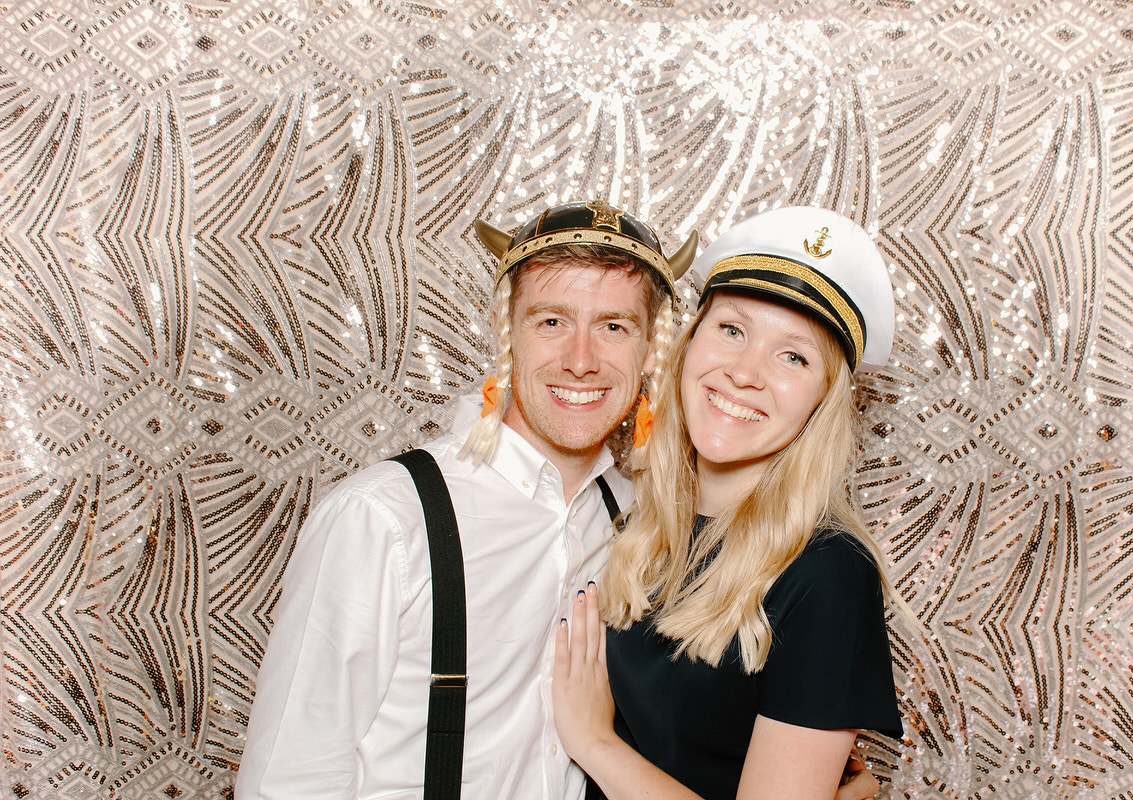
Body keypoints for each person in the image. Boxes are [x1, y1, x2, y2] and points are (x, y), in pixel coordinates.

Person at [235, 198, 881, 800]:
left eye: (614, 327)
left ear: (652, 348)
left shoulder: (634, 521)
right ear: (507, 333)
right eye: (551, 321)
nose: (581, 360)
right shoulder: (382, 522)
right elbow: (286, 781)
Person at [553, 206, 905, 799]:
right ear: (690, 344)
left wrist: (594, 743)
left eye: (793, 356)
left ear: (824, 398)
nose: (744, 373)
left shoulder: (829, 574)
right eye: (732, 330)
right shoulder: (638, 518)